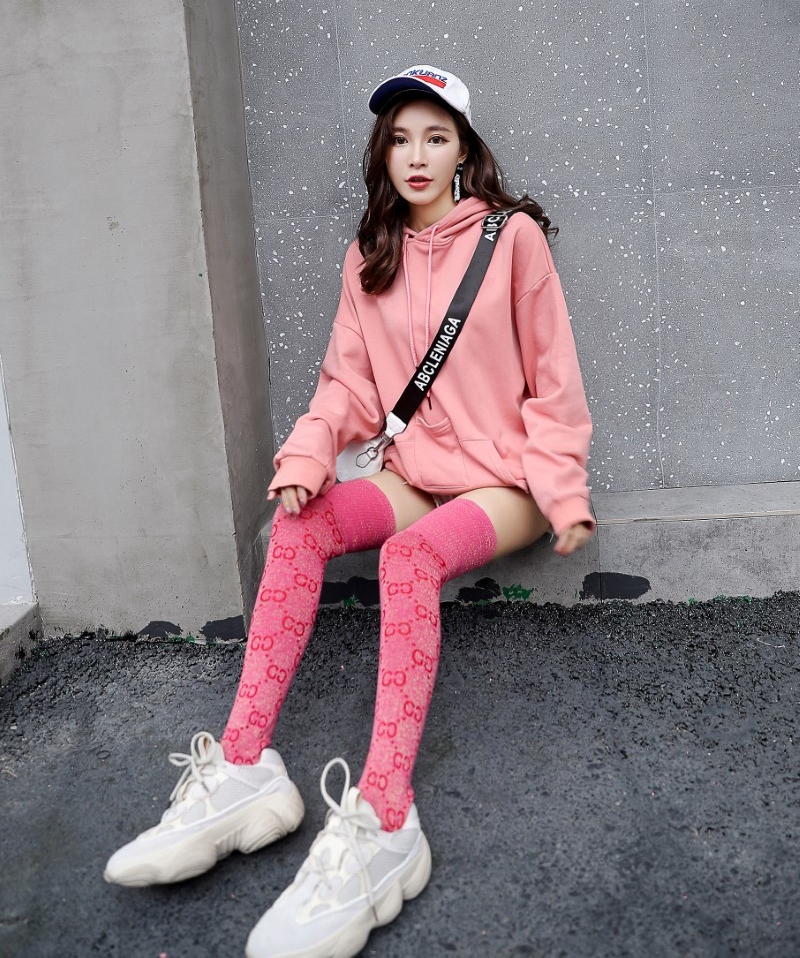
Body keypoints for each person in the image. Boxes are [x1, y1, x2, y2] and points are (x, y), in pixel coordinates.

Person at [104, 64, 596, 958]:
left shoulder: (511, 238)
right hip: (415, 469)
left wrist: (561, 493)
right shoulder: (370, 251)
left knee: (410, 559)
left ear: (463, 149)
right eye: (400, 139)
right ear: (383, 152)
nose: (417, 155)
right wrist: (305, 457)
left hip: (505, 481)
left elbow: (554, 383)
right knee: (301, 526)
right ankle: (245, 767)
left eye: (435, 137)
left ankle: (387, 820)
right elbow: (347, 387)